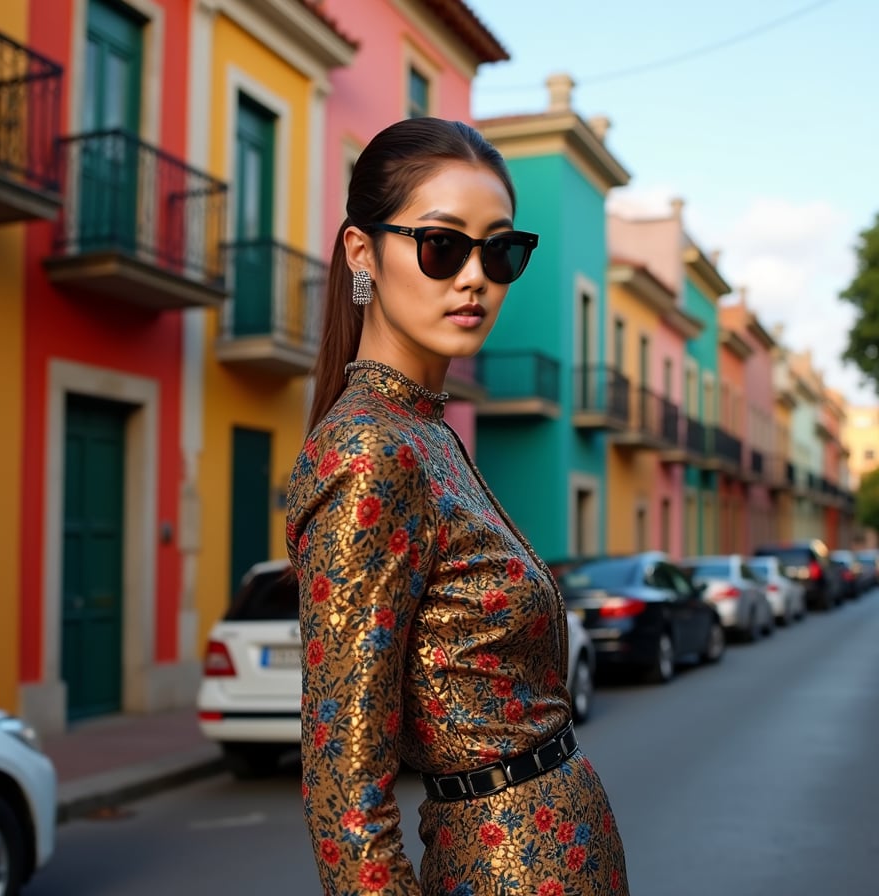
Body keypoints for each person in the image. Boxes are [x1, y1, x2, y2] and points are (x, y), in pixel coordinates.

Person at [286, 117, 629, 896]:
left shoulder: (427, 434)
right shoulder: (372, 451)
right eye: (443, 245)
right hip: (501, 868)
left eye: (500, 251)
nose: (474, 276)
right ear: (362, 253)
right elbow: (345, 786)